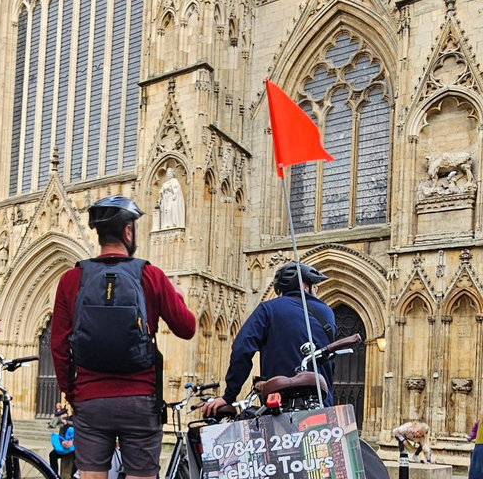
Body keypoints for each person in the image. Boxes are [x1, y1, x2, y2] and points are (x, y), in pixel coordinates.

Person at [51, 195, 196, 479]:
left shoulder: (71, 279)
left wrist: (72, 392)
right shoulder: (150, 275)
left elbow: (58, 345)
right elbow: (186, 327)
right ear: (128, 231)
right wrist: (176, 296)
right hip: (140, 400)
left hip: (90, 401)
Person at [203, 262, 335, 417]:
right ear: (306, 286)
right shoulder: (327, 313)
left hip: (280, 406)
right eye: (316, 288)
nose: (316, 292)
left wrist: (229, 395)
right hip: (321, 406)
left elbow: (241, 348)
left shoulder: (268, 309)